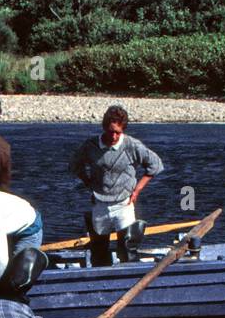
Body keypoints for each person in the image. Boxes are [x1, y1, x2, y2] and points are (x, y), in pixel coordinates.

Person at [69, 104, 163, 266]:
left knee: (127, 247)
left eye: (118, 132)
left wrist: (137, 190)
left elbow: (155, 165)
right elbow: (74, 166)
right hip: (100, 203)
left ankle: (129, 276)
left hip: (124, 202)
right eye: (111, 131)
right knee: (99, 249)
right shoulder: (91, 146)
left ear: (123, 130)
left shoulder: (132, 145)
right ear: (104, 127)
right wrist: (88, 182)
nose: (114, 136)